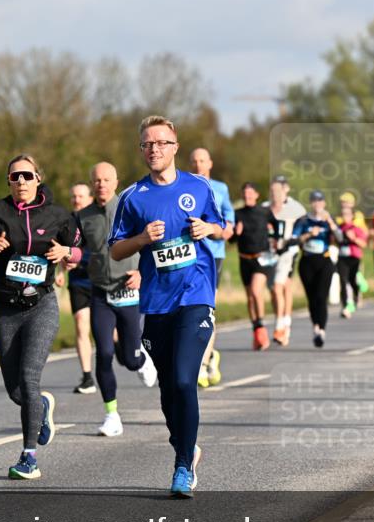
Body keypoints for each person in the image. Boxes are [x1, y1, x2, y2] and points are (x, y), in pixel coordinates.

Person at [110, 115, 225, 497]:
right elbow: (115, 250)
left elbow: (222, 228)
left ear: (175, 147)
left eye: (161, 143)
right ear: (141, 150)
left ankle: (181, 468)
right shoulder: (132, 197)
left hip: (196, 295)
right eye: (147, 144)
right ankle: (185, 447)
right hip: (157, 304)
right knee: (167, 390)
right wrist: (142, 238)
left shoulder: (199, 187)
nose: (154, 149)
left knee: (182, 379)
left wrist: (207, 229)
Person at [0, 154, 82, 479]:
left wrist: (67, 253)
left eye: (28, 176)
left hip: (41, 305)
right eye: (15, 177)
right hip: (5, 309)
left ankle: (29, 457)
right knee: (16, 390)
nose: (22, 182)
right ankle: (40, 406)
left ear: (38, 178)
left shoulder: (58, 215)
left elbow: (79, 252)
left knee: (29, 379)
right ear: (9, 182)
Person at [78, 161, 158, 438]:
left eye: (106, 179)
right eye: (97, 180)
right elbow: (76, 249)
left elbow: (150, 243)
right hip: (100, 292)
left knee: (130, 358)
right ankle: (111, 415)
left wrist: (142, 274)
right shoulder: (83, 216)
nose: (101, 184)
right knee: (104, 353)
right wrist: (66, 261)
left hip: (129, 289)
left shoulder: (131, 207)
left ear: (116, 182)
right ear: (92, 183)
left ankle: (141, 359)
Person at [190, 148, 235, 387]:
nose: (198, 165)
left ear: (210, 163)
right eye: (194, 161)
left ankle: (202, 362)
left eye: (202, 161)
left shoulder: (220, 188)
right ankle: (209, 356)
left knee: (206, 310)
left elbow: (229, 212)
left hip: (213, 254)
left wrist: (228, 226)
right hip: (189, 255)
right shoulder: (184, 186)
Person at [291, 190, 340, 346]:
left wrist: (331, 223)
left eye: (320, 201)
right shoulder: (303, 221)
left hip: (324, 261)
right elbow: (293, 240)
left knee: (321, 296)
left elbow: (340, 238)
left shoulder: (329, 220)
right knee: (312, 298)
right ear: (311, 203)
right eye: (314, 201)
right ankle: (315, 327)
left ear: (324, 203)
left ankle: (322, 331)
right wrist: (309, 235)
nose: (317, 204)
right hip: (307, 261)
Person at [232, 182, 276, 350]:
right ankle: (256, 331)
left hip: (262, 258)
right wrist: (237, 233)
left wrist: (275, 239)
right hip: (244, 259)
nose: (247, 196)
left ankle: (262, 328)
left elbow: (277, 228)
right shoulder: (237, 214)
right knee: (250, 297)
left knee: (257, 292)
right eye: (245, 193)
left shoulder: (264, 212)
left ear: (257, 195)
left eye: (250, 193)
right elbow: (231, 240)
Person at [63, 182, 96, 394]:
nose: (76, 200)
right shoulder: (65, 221)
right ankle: (87, 378)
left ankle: (126, 349)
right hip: (78, 282)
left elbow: (103, 251)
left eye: (81, 196)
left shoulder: (96, 219)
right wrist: (60, 270)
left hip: (102, 280)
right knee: (81, 323)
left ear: (90, 198)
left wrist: (79, 259)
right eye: (74, 196)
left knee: (111, 333)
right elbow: (59, 248)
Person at [266, 175, 306, 346]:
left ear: (285, 189)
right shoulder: (265, 208)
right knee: (275, 290)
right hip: (269, 253)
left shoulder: (295, 207)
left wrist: (294, 241)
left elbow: (303, 227)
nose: (276, 193)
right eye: (273, 190)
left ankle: (283, 324)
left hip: (289, 252)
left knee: (283, 286)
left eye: (280, 189)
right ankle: (281, 319)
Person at [337, 203, 369, 318]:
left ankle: (356, 295)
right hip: (342, 258)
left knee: (352, 280)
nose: (345, 216)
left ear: (352, 216)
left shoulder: (356, 229)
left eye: (347, 214)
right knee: (343, 281)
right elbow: (334, 241)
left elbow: (364, 244)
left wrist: (353, 238)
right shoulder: (339, 228)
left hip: (354, 258)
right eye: (343, 214)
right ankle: (346, 306)